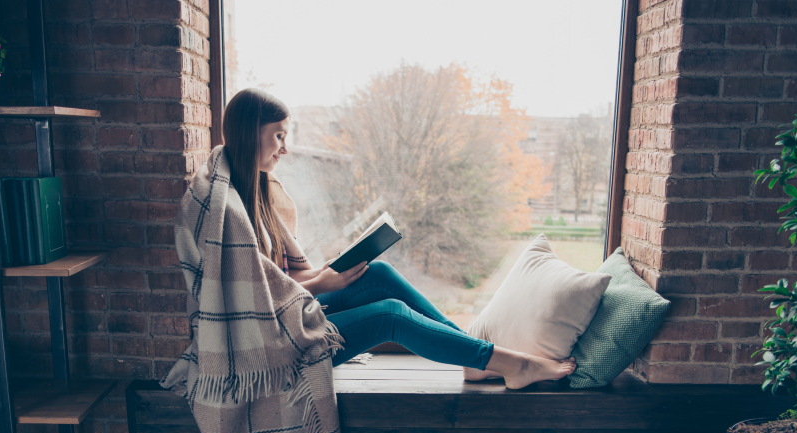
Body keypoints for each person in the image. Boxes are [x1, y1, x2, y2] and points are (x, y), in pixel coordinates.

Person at [220, 88, 576, 389]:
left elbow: (282, 277)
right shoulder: (226, 208)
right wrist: (319, 284)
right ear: (252, 133)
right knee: (391, 315)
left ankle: (475, 356)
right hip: (275, 343)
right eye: (279, 136)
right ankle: (510, 364)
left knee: (378, 274)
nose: (285, 148)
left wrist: (324, 274)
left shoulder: (261, 191)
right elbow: (255, 299)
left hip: (293, 312)